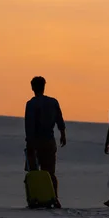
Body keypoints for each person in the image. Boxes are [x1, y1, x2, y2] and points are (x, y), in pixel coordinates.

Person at [24, 76, 67, 208]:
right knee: (50, 172)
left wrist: (30, 144)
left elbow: (29, 125)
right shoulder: (53, 102)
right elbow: (60, 120)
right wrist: (63, 134)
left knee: (34, 172)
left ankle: (36, 198)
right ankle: (54, 198)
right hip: (49, 141)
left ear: (32, 88)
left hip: (36, 142)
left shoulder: (31, 104)